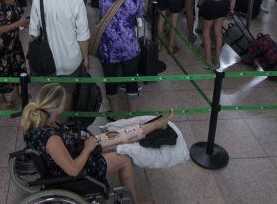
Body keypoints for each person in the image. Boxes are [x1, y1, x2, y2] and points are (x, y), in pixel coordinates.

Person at [22, 84, 169, 203]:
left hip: (76, 151)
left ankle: (153, 126)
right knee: (125, 158)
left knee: (116, 138)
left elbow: (64, 139)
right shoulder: (52, 139)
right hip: (79, 171)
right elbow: (73, 170)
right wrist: (87, 148)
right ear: (57, 106)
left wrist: (86, 140)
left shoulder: (42, 121)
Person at [30, 0, 90, 107]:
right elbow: (83, 37)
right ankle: (63, 126)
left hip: (47, 60)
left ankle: (50, 124)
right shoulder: (77, 2)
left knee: (50, 98)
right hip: (72, 60)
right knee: (67, 97)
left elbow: (33, 34)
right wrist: (86, 59)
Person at [97, 0, 145, 114]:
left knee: (110, 81)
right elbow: (139, 21)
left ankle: (115, 115)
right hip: (129, 46)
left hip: (108, 46)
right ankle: (133, 114)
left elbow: (101, 12)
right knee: (131, 81)